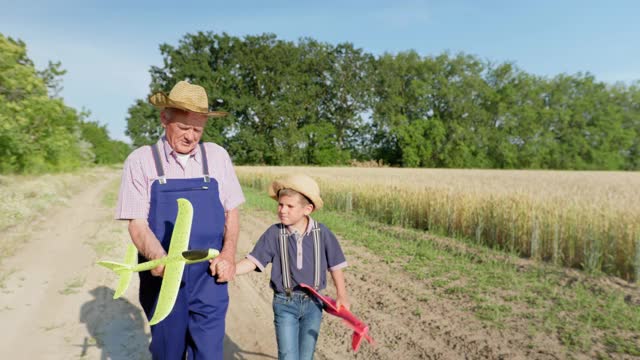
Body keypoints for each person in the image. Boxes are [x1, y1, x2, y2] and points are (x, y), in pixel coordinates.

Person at [115, 80, 245, 359]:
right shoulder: (141, 161)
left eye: (198, 129)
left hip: (209, 276)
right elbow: (136, 223)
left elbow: (231, 211)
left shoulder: (217, 157)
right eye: (184, 128)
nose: (191, 136)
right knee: (168, 351)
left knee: (209, 352)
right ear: (165, 119)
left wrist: (229, 254)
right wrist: (159, 257)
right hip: (164, 278)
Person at [235, 174, 350, 360]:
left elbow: (336, 266)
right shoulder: (274, 233)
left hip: (314, 303)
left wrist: (342, 295)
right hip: (285, 303)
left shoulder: (322, 233)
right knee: (288, 355)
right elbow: (253, 261)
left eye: (289, 206)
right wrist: (231, 269)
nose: (282, 210)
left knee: (306, 355)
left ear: (307, 209)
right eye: (280, 205)